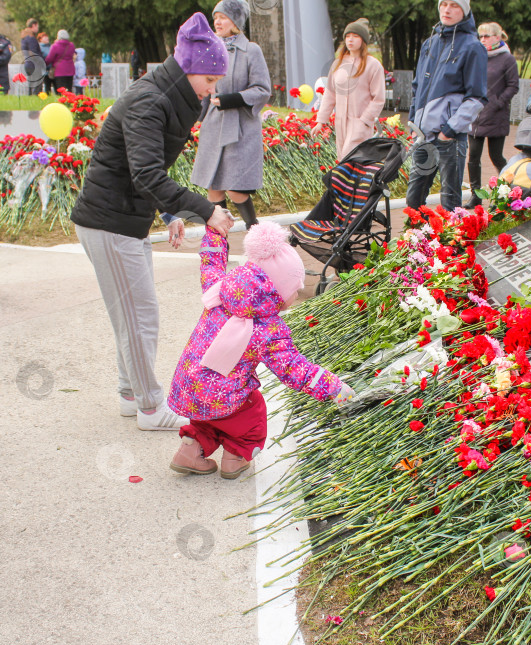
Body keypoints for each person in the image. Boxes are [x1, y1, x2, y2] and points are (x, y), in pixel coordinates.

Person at [70, 13, 235, 431]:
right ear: (191, 68)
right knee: (139, 317)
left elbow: (143, 167)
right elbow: (146, 174)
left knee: (134, 314)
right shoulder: (151, 101)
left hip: (125, 220)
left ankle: (130, 394)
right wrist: (205, 209)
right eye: (210, 80)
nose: (211, 90)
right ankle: (149, 406)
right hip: (109, 222)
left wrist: (168, 211)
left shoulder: (165, 94)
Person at [167, 222, 354, 478]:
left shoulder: (220, 289)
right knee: (252, 411)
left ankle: (189, 450)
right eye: (294, 290)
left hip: (187, 387)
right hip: (222, 399)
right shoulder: (268, 327)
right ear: (276, 290)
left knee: (208, 415)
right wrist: (333, 387)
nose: (296, 296)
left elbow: (210, 263)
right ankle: (235, 458)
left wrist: (215, 233)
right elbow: (294, 368)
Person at [191, 0, 271, 230]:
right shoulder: (210, 48)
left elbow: (263, 89)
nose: (217, 21)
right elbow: (203, 90)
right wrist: (194, 120)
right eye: (215, 17)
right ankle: (218, 248)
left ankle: (257, 235)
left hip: (241, 128)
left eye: (223, 17)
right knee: (213, 188)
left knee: (237, 189)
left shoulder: (251, 50)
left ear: (236, 22)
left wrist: (233, 99)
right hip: (214, 125)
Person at [407, 0, 487, 212]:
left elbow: (477, 97)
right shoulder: (429, 43)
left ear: (465, 11)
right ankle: (420, 243)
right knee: (414, 201)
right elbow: (417, 87)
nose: (447, 9)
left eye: (454, 5)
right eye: (443, 4)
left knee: (450, 202)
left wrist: (449, 130)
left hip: (449, 138)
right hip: (423, 137)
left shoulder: (473, 47)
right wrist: (414, 121)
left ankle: (452, 244)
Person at [313, 18, 386, 160]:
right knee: (344, 163)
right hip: (340, 122)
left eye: (355, 36)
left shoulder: (373, 65)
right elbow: (330, 94)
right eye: (347, 36)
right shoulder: (338, 64)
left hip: (359, 123)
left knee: (351, 159)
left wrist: (364, 120)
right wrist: (321, 120)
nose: (350, 40)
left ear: (363, 40)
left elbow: (378, 99)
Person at [464, 21, 518, 207]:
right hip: (476, 114)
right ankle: (475, 195)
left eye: (487, 36)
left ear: (497, 37)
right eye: (481, 36)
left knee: (496, 156)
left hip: (496, 115)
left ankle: (505, 193)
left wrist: (497, 102)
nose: (483, 39)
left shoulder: (507, 59)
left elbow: (513, 86)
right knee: (473, 156)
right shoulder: (477, 56)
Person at [21, 19, 43, 94]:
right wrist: (42, 62)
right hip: (34, 64)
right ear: (33, 25)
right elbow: (33, 53)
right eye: (37, 26)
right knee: (37, 86)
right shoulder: (31, 38)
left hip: (27, 64)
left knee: (31, 86)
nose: (37, 28)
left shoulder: (24, 37)